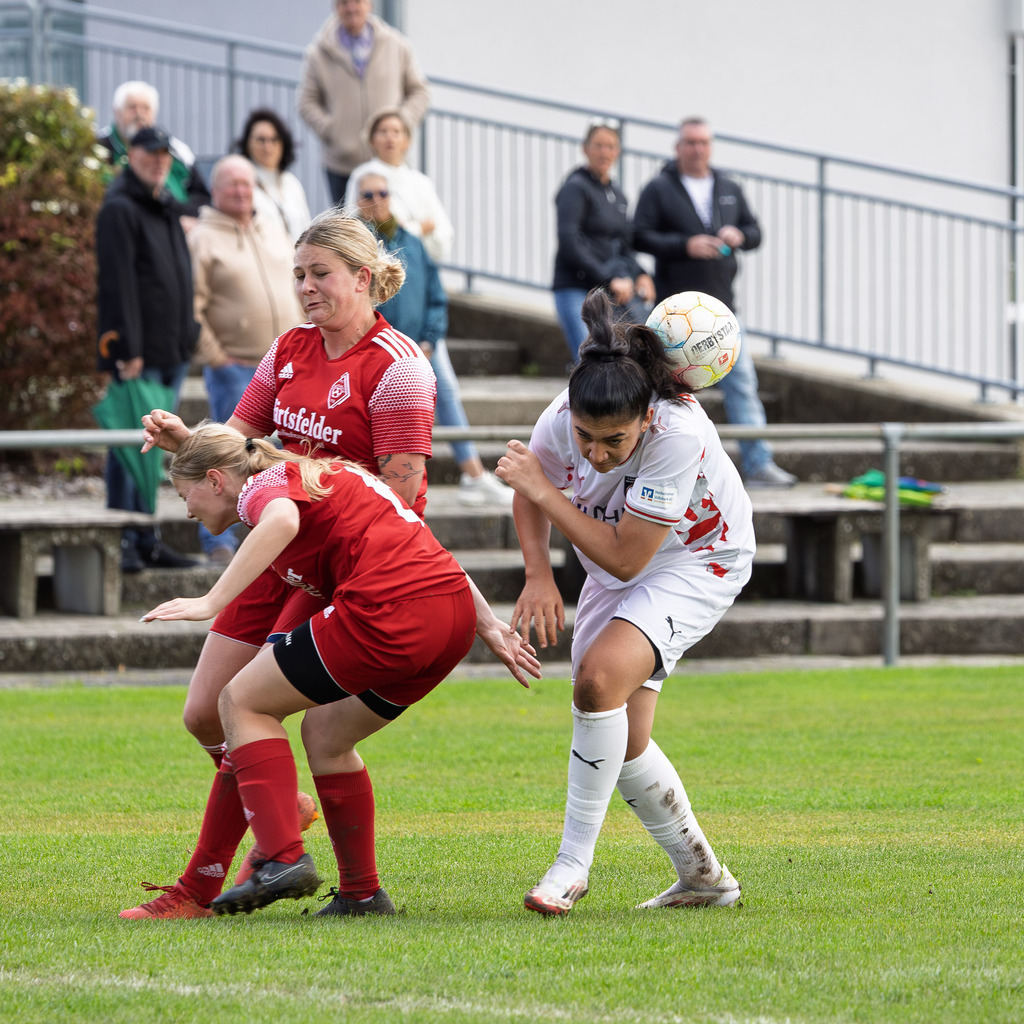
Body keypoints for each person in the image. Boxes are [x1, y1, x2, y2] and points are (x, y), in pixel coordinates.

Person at [118, 212, 442, 917]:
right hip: (278, 548)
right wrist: (188, 442)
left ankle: (199, 887)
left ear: (363, 277)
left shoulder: (398, 366)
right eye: (298, 275)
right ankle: (281, 805)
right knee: (205, 713)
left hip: (340, 564)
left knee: (245, 706)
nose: (305, 288)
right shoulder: (290, 349)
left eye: (320, 274)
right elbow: (238, 444)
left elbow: (404, 491)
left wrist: (352, 574)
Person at [122, 423, 540, 919]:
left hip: (390, 610)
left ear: (216, 481)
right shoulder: (322, 476)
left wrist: (211, 600)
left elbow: (279, 521)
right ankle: (361, 894)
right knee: (324, 736)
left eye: (182, 494)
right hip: (448, 616)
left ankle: (280, 857)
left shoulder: (264, 486)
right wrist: (485, 621)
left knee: (239, 702)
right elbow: (423, 542)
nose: (185, 508)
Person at [496, 289, 754, 916]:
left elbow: (626, 556)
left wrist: (545, 490)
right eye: (586, 436)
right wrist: (538, 575)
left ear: (646, 419)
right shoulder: (563, 416)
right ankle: (704, 878)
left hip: (698, 559)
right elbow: (532, 493)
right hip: (615, 556)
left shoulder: (678, 433)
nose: (596, 452)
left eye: (614, 441)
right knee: (625, 735)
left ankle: (571, 864)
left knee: (597, 681)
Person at [633, 117, 798, 488]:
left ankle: (758, 463)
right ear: (678, 147)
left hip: (723, 310)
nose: (697, 149)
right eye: (690, 142)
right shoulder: (659, 188)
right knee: (666, 391)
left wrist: (740, 234)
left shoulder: (728, 186)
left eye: (703, 142)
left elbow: (756, 232)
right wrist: (684, 245)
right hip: (674, 315)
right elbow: (638, 235)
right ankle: (660, 465)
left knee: (742, 384)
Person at [355, 169, 511, 506]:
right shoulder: (356, 244)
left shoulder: (412, 241)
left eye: (382, 193)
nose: (376, 201)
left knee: (448, 393)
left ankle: (472, 474)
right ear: (358, 200)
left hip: (422, 343)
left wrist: (429, 340)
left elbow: (436, 295)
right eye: (368, 195)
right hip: (379, 345)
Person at [188, 154, 305, 562]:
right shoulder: (202, 236)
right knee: (227, 456)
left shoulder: (273, 228)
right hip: (234, 366)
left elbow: (298, 283)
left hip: (286, 364)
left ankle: (265, 540)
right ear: (215, 190)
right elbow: (191, 305)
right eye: (231, 184)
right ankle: (218, 543)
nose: (240, 191)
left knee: (273, 458)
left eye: (246, 183)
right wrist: (215, 356)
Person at [95, 125, 200, 572]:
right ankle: (124, 539)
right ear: (130, 155)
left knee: (154, 452)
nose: (158, 161)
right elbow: (117, 285)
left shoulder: (164, 206)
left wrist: (189, 332)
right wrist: (128, 349)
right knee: (128, 447)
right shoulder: (120, 207)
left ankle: (146, 538)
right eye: (149, 153)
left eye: (164, 155)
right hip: (140, 355)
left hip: (171, 349)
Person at [298, 0, 430, 204]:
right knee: (347, 231)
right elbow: (307, 101)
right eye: (344, 3)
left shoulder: (397, 45)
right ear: (336, 7)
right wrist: (331, 129)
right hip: (342, 163)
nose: (351, 8)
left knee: (392, 229)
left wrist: (398, 124)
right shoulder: (318, 53)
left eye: (358, 2)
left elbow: (419, 91)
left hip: (389, 163)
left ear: (370, 4)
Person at [552, 119, 655, 363]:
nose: (604, 152)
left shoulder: (618, 195)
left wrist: (641, 273)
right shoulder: (575, 188)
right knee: (590, 364)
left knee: (631, 360)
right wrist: (609, 278)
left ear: (618, 151)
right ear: (585, 148)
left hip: (611, 291)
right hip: (576, 289)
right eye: (598, 145)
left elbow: (623, 246)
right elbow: (569, 240)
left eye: (610, 146)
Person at [345, 107, 453, 264]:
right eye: (383, 131)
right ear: (372, 140)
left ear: (407, 141)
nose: (390, 137)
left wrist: (412, 231)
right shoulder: (362, 176)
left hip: (421, 265)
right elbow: (361, 224)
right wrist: (420, 229)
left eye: (396, 132)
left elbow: (443, 230)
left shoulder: (421, 181)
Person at [96, 80, 211, 219]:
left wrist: (183, 217)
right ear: (116, 112)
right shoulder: (96, 147)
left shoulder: (177, 150)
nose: (139, 114)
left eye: (146, 108)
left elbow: (201, 196)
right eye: (132, 108)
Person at [236, 107, 312, 242]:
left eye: (274, 139)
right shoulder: (242, 183)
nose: (268, 147)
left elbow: (307, 227)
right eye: (261, 140)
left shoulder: (291, 182)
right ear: (247, 143)